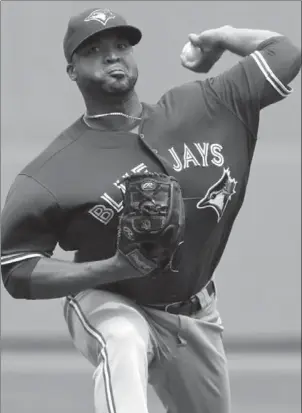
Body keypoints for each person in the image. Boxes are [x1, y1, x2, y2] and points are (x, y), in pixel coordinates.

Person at [1, 6, 301, 413]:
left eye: (121, 44)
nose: (112, 55)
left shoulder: (208, 106)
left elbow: (283, 53)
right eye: (93, 49)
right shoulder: (51, 171)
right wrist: (111, 269)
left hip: (195, 312)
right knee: (124, 336)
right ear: (72, 70)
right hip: (107, 299)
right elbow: (16, 267)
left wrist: (221, 36)